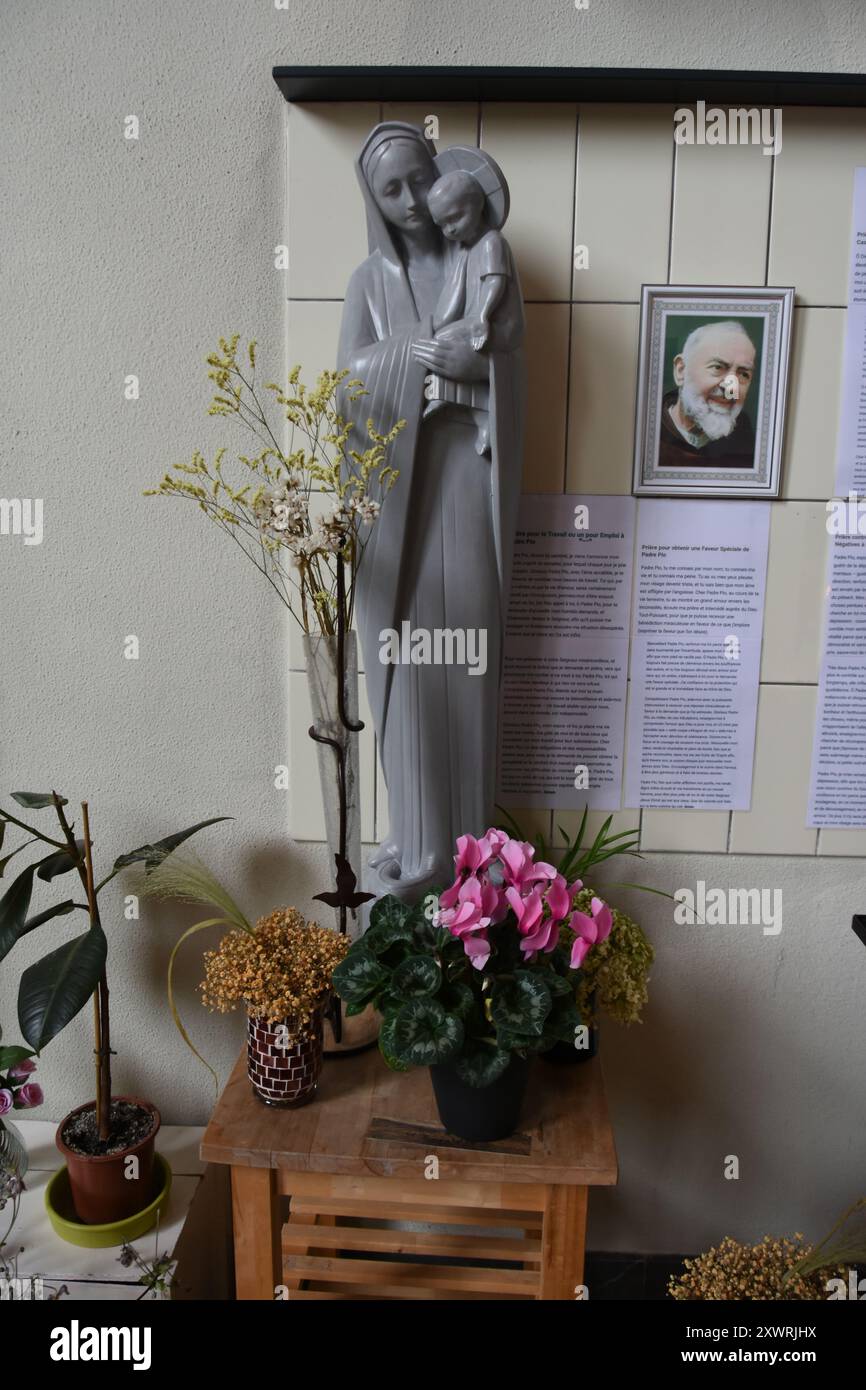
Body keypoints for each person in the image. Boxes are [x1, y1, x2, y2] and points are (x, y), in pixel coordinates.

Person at [337, 122, 525, 900]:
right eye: (394, 190)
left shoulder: (483, 257)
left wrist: (475, 371)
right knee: (411, 670)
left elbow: (513, 371)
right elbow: (347, 386)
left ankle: (471, 855)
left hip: (463, 491)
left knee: (467, 661)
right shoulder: (368, 283)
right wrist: (412, 357)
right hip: (398, 509)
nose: (414, 201)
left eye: (421, 179)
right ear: (374, 203)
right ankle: (419, 851)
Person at [422, 169, 513, 456]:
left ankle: (450, 400)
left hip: (487, 322)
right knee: (440, 342)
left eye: (455, 218)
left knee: (443, 340)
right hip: (472, 321)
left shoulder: (491, 242)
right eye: (442, 224)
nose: (450, 230)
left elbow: (496, 280)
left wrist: (483, 316)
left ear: (478, 205)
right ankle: (447, 398)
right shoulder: (466, 250)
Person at [658, 320, 757, 469]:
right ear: (681, 370)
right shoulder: (650, 430)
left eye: (743, 374)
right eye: (717, 367)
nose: (731, 389)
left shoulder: (743, 434)